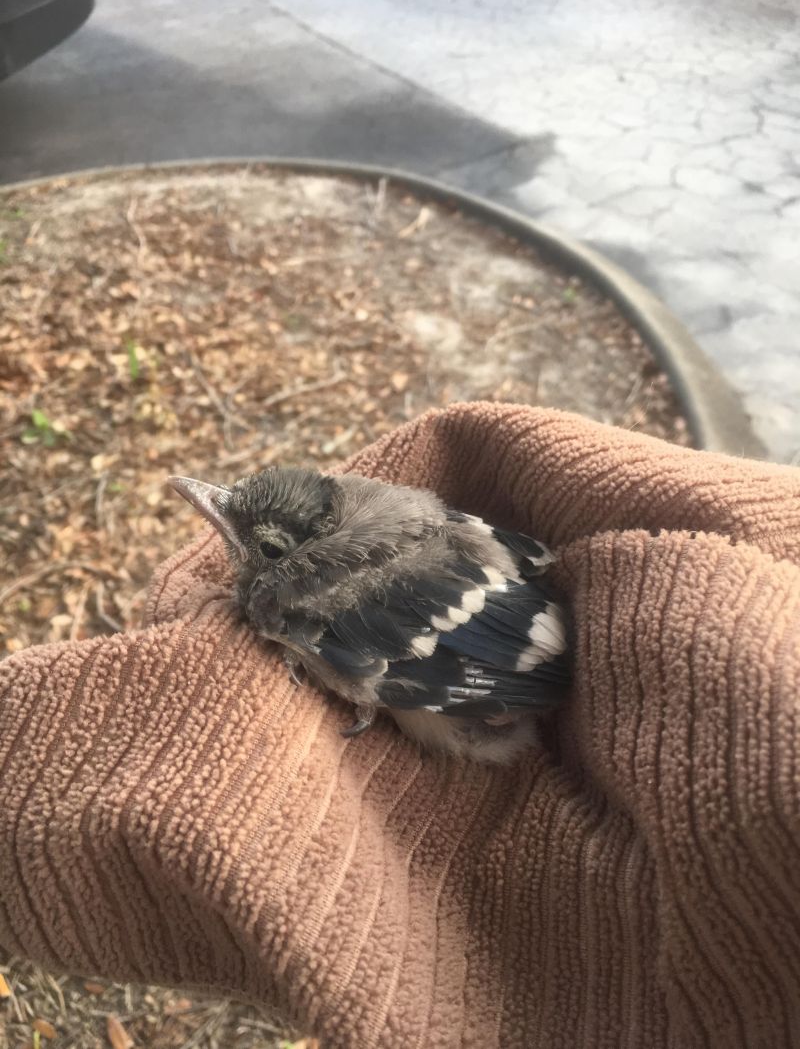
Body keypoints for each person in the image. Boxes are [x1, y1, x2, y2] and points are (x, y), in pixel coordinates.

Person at [2, 402, 799, 1048]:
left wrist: (373, 695)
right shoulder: (383, 508)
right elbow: (505, 557)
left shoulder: (296, 596)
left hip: (506, 670)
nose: (208, 506)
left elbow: (525, 670)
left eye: (260, 539)